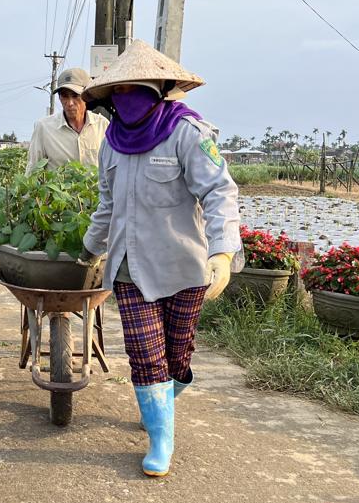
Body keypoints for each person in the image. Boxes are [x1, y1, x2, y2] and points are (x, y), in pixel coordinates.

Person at [78, 40, 242, 478]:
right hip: (129, 267)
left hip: (183, 266)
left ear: (158, 89)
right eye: (119, 90)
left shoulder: (187, 134)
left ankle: (160, 403)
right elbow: (106, 205)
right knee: (145, 355)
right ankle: (161, 438)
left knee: (176, 356)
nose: (126, 97)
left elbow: (220, 192)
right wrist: (90, 250)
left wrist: (223, 254)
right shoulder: (111, 143)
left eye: (136, 88)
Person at [26, 68, 109, 173]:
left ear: (87, 96)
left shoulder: (102, 126)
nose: (70, 103)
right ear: (60, 98)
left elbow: (111, 169)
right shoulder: (43, 128)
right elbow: (33, 170)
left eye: (75, 96)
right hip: (60, 189)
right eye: (64, 96)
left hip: (95, 189)